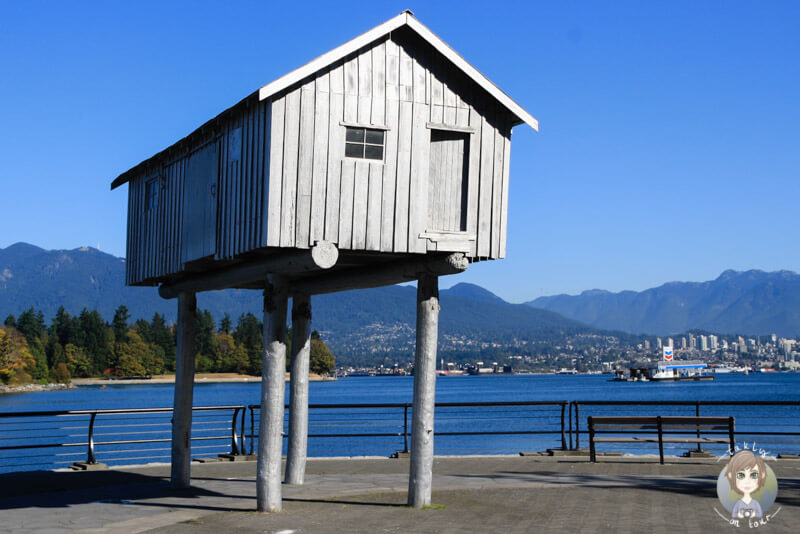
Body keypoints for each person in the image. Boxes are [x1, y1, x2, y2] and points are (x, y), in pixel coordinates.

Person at [725, 450, 767, 519]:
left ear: (762, 476)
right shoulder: (738, 503)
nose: (747, 481)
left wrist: (753, 514)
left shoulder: (755, 503)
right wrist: (739, 514)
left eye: (754, 475)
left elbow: (759, 514)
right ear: (731, 476)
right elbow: (734, 514)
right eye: (741, 475)